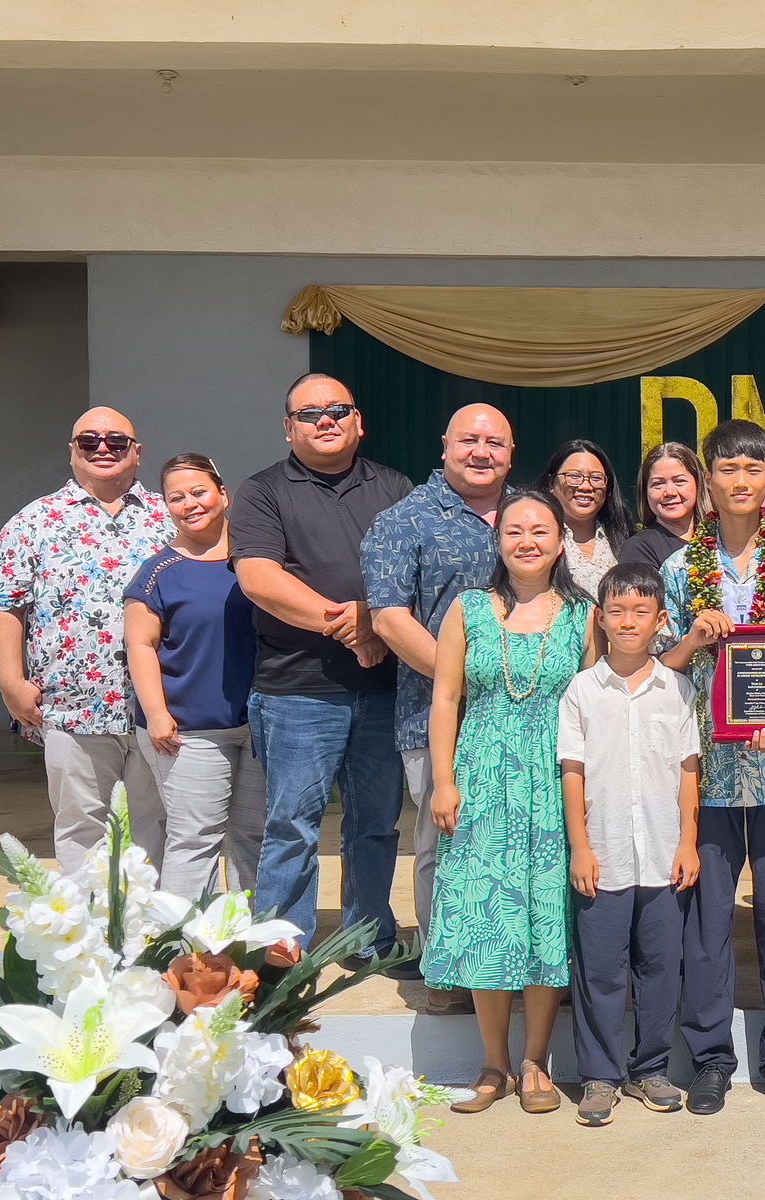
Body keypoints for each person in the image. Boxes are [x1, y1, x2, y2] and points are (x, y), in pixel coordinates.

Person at [661, 419, 765, 1118]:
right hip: (707, 772)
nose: (739, 481)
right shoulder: (678, 572)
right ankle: (710, 1061)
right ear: (709, 479)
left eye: (753, 470)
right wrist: (694, 636)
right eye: (726, 469)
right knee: (707, 925)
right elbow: (665, 667)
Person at [424, 489, 599, 1115]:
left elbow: (593, 708)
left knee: (545, 917)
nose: (528, 542)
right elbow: (445, 700)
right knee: (485, 916)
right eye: (515, 531)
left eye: (541, 531)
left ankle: (536, 1062)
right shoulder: (467, 610)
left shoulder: (584, 615)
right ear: (498, 540)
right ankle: (493, 1063)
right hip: (481, 785)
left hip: (554, 784)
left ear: (560, 542)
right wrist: (444, 781)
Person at [231, 374, 412, 965]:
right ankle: (280, 955)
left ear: (359, 422)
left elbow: (412, 575)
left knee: (376, 826)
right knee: (292, 824)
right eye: (309, 414)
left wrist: (376, 624)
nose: (325, 420)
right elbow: (259, 578)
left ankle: (367, 942)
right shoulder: (262, 491)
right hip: (298, 690)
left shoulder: (395, 487)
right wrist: (354, 626)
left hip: (385, 689)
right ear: (289, 427)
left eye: (338, 410)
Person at [361, 403, 513, 1016]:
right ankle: (444, 971)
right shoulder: (403, 521)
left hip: (527, 715)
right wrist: (466, 679)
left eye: (495, 443)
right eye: (470, 440)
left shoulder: (530, 515)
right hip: (435, 714)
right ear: (444, 445)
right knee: (441, 842)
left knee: (519, 839)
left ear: (511, 452)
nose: (482, 452)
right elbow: (390, 618)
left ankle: (511, 963)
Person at [0, 408, 171, 869]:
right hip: (72, 704)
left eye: (116, 441)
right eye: (89, 441)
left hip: (161, 706)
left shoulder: (171, 516)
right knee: (82, 825)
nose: (103, 448)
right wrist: (11, 682)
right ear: (72, 452)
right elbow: (3, 603)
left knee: (158, 823)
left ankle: (154, 939)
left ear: (138, 452)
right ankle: (91, 938)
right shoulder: (34, 520)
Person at [560, 563, 701, 1128]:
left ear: (661, 620)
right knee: (600, 968)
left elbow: (689, 771)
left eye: (641, 611)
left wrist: (688, 843)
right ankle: (599, 1075)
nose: (627, 621)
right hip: (606, 851)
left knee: (661, 965)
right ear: (600, 618)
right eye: (616, 611)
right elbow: (573, 773)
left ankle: (652, 1068)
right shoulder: (582, 691)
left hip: (665, 853)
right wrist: (580, 847)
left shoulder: (677, 689)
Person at [124, 453, 264, 899]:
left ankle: (249, 947)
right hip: (190, 731)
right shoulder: (156, 574)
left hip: (261, 724)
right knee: (195, 840)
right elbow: (140, 645)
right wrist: (157, 713)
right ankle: (190, 953)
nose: (190, 504)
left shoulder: (258, 559)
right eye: (176, 498)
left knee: (254, 838)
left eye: (199, 492)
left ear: (223, 494)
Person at [540, 439, 631, 602]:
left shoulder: (625, 539)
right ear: (551, 483)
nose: (586, 487)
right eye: (574, 476)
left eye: (596, 478)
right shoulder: (538, 538)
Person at [618, 442, 708, 569]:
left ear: (698, 484)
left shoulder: (720, 537)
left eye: (679, 481)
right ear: (645, 491)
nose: (669, 492)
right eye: (658, 484)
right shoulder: (639, 548)